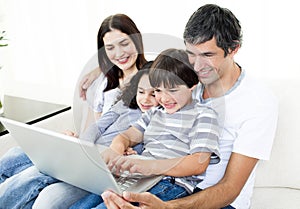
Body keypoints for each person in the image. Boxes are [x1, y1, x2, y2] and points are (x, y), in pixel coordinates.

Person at [100, 4, 278, 209]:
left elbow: (230, 188)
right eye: (191, 53)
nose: (196, 65)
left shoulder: (258, 102)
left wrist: (168, 207)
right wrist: (119, 148)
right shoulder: (183, 82)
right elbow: (145, 116)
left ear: (233, 49)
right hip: (156, 180)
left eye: (208, 55)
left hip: (211, 200)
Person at [69, 48, 220, 209]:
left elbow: (198, 163)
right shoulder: (155, 113)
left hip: (171, 183)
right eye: (158, 91)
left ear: (192, 85)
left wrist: (148, 166)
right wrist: (116, 151)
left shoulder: (204, 115)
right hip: (137, 178)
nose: (164, 98)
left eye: (172, 90)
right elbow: (127, 136)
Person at [0, 65, 158, 209]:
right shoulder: (125, 106)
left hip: (102, 168)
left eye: (153, 94)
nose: (145, 99)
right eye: (141, 91)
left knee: (40, 183)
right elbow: (98, 126)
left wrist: (126, 153)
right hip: (84, 152)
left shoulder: (158, 124)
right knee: (17, 160)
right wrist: (81, 144)